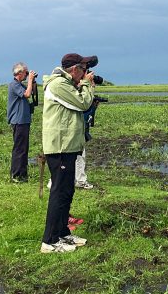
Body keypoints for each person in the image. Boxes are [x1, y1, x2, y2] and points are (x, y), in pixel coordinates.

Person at [40, 53, 96, 253]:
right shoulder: (58, 85)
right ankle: (50, 241)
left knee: (67, 191)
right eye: (83, 69)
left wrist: (83, 85)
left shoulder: (67, 84)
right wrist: (87, 86)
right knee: (58, 193)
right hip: (60, 146)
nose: (85, 73)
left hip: (69, 145)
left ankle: (63, 233)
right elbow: (82, 104)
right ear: (74, 69)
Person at [7, 62, 36, 182]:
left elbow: (32, 91)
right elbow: (27, 94)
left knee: (23, 148)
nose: (27, 74)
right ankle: (16, 175)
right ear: (19, 73)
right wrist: (29, 80)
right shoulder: (14, 84)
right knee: (19, 149)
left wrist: (32, 81)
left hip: (23, 120)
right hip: (18, 121)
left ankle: (22, 174)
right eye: (26, 72)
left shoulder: (19, 84)